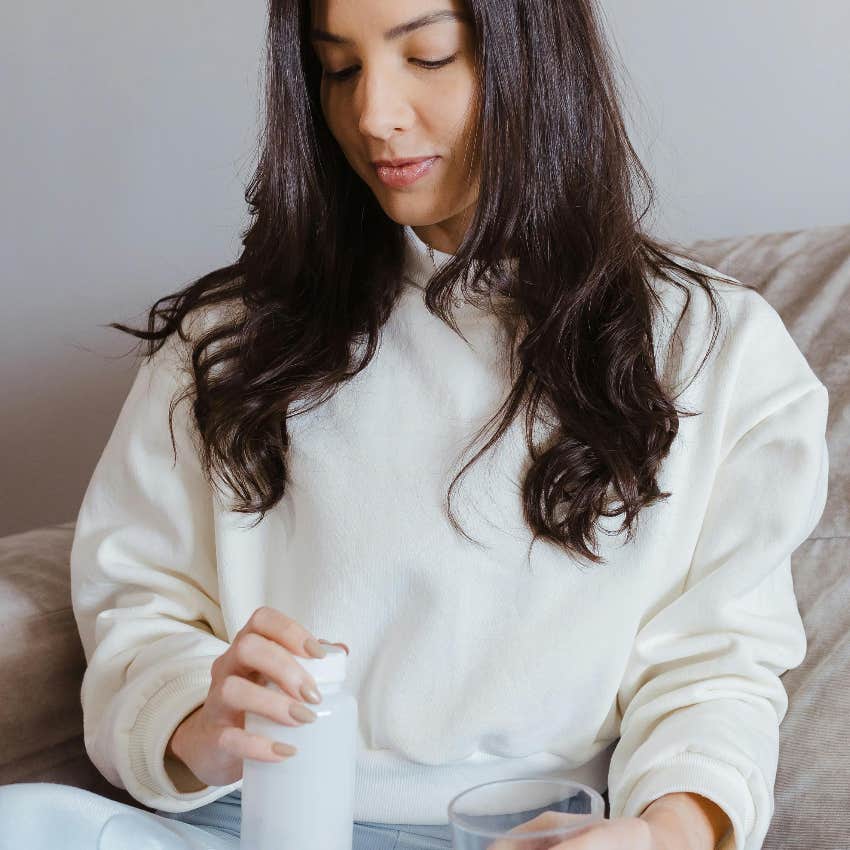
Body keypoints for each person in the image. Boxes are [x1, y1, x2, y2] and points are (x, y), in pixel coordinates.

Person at [0, 0, 829, 848]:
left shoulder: (713, 351)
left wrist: (661, 836)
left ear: (537, 60)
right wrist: (193, 722)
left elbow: (716, 670)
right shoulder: (227, 340)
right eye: (340, 68)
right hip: (250, 825)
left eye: (428, 57)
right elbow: (139, 602)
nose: (373, 117)